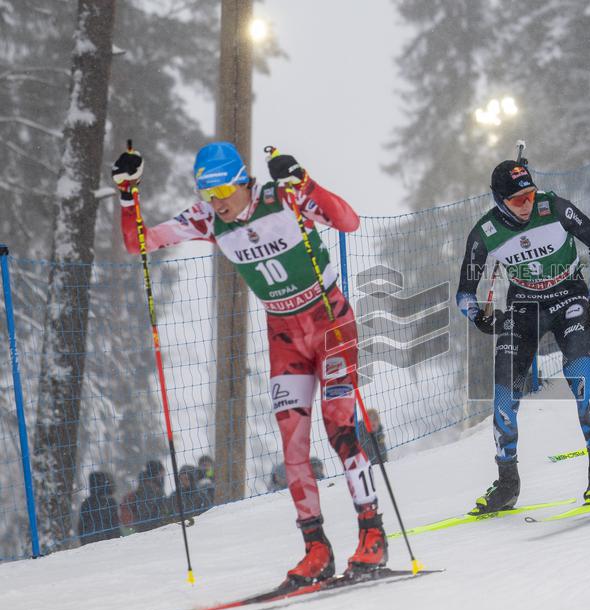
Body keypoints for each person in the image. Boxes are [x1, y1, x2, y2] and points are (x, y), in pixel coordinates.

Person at [111, 142, 387, 586]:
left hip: (331, 322)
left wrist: (305, 181)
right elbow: (137, 242)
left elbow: (347, 221)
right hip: (284, 337)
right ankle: (316, 548)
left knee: (339, 428)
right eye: (208, 193)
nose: (217, 202)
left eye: (223, 190)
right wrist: (128, 194)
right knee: (293, 444)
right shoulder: (206, 220)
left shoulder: (284, 198)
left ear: (243, 181)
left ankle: (372, 533)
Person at [455, 160, 590, 513]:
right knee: (503, 390)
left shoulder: (554, 207)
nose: (526, 204)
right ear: (499, 201)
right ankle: (507, 482)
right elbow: (463, 294)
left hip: (569, 296)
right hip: (525, 306)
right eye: (516, 200)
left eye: (529, 194)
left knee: (580, 377)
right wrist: (478, 315)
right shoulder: (485, 233)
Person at [120, 460, 171, 533]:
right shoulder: (151, 491)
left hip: (144, 529)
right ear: (156, 474)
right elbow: (149, 514)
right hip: (152, 530)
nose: (163, 476)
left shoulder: (146, 487)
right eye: (162, 473)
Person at [78, 470, 121, 545]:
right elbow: (114, 524)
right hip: (108, 541)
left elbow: (81, 526)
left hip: (89, 541)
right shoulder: (110, 502)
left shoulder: (86, 502)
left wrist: (83, 541)